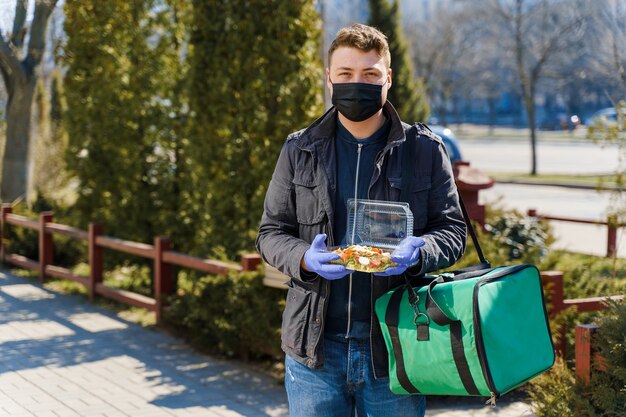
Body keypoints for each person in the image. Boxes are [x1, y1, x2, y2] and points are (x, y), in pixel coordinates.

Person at [256, 23, 466, 417]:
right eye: (346, 74)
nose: (358, 83)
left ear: (388, 79)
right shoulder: (299, 148)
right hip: (314, 351)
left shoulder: (424, 149)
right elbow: (270, 233)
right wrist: (303, 257)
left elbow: (452, 230)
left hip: (395, 346)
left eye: (370, 75)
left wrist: (421, 250)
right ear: (330, 79)